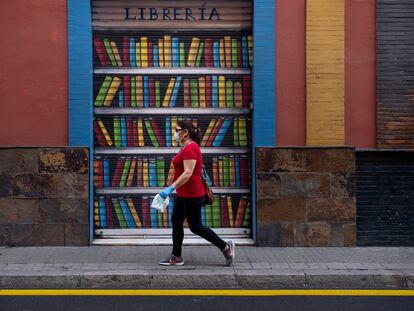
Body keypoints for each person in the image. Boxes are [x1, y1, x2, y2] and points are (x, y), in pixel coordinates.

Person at [157, 120, 235, 266]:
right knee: (176, 221)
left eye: (177, 129)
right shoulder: (186, 147)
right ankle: (176, 256)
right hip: (183, 194)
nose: (174, 132)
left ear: (185, 132)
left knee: (196, 227)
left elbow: (188, 173)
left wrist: (170, 188)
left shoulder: (190, 148)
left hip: (192, 195)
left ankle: (226, 247)